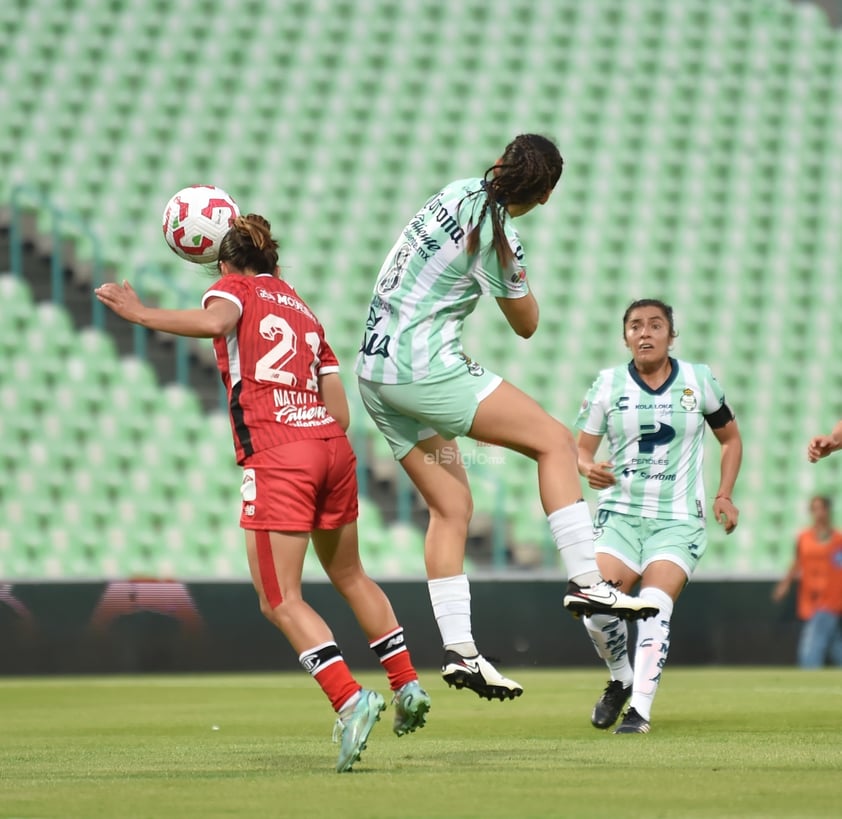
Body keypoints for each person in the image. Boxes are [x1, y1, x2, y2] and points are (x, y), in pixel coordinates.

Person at [96, 214, 430, 773]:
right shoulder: (303, 310)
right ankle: (407, 684)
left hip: (279, 452)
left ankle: (350, 699)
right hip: (331, 448)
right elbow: (341, 413)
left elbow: (216, 321)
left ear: (225, 263)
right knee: (350, 575)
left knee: (280, 599)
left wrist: (141, 314)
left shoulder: (231, 288)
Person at [355, 133, 658, 703]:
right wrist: (516, 271)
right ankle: (589, 582)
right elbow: (527, 324)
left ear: (497, 161)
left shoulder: (454, 192)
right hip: (422, 371)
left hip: (374, 373)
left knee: (451, 508)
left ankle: (461, 652)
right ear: (543, 198)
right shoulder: (500, 238)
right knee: (553, 441)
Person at [575, 298, 742, 733]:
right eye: (635, 326)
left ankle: (640, 712)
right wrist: (587, 467)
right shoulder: (608, 384)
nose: (645, 333)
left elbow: (730, 440)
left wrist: (724, 494)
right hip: (620, 516)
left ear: (671, 335)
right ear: (625, 337)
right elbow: (580, 450)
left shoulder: (698, 380)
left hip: (678, 518)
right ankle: (621, 679)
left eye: (655, 325)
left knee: (653, 608)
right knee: (597, 610)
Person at [772, 496, 842, 667]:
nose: (817, 513)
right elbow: (797, 562)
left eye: (820, 508)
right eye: (813, 509)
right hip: (810, 597)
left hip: (831, 597)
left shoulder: (838, 539)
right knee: (833, 641)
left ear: (827, 510)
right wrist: (785, 584)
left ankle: (808, 669)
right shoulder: (804, 537)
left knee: (812, 639)